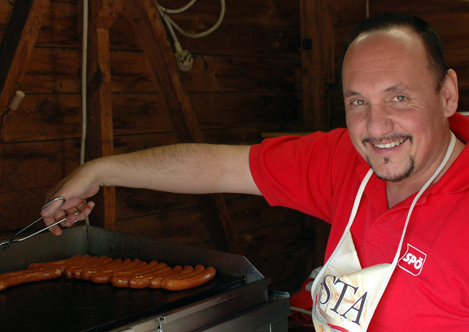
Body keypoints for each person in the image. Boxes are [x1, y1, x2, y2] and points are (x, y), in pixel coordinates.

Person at [41, 13, 469, 331]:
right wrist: (100, 170)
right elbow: (220, 166)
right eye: (358, 102)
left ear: (446, 95)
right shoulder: (344, 159)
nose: (376, 128)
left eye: (398, 98)